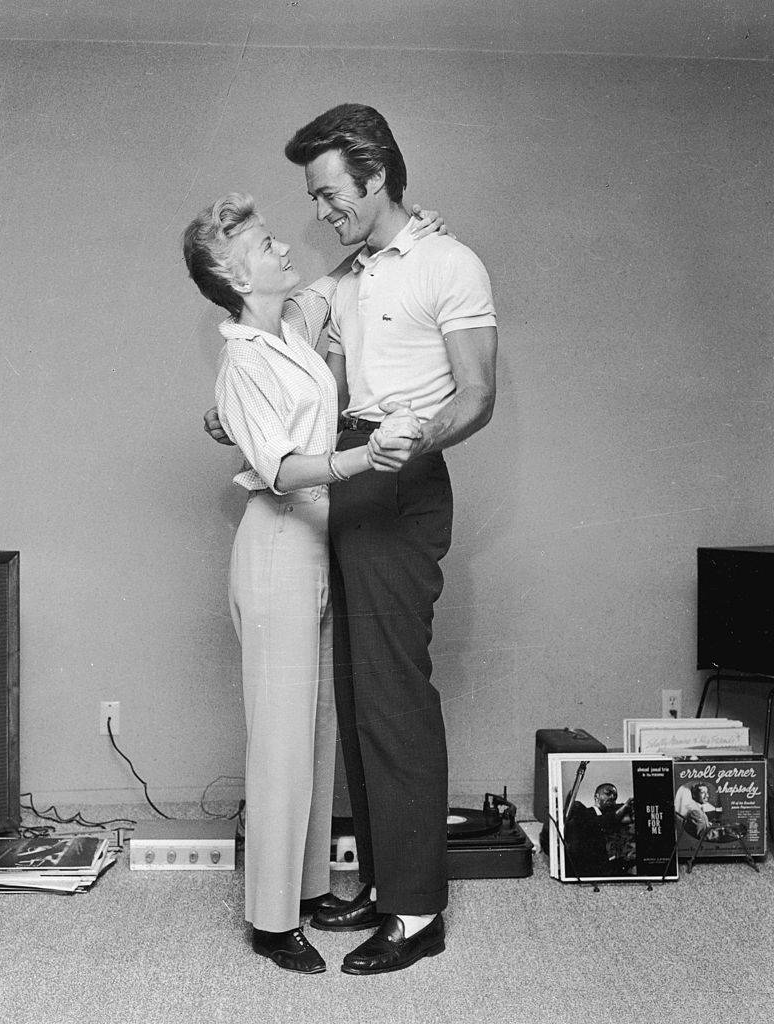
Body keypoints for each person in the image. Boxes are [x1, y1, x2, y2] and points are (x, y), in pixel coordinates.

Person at [206, 103, 498, 975]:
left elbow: (478, 395)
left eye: (333, 195)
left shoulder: (451, 262)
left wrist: (412, 445)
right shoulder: (350, 274)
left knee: (394, 692)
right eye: (315, 198)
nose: (323, 211)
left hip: (397, 475)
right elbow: (267, 328)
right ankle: (379, 882)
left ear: (376, 177)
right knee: (357, 691)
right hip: (345, 469)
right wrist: (233, 413)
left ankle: (416, 912)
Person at [184, 193, 442, 975]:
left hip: (317, 539)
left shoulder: (288, 326)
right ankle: (269, 923)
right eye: (266, 246)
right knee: (280, 738)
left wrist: (404, 227)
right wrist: (371, 457)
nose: (282, 250)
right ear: (234, 274)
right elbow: (282, 466)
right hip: (276, 541)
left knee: (316, 729)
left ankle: (299, 894)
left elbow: (335, 275)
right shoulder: (243, 358)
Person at [565, 783, 635, 877]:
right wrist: (624, 807)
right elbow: (600, 822)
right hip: (588, 872)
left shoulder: (613, 819)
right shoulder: (584, 812)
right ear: (596, 796)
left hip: (605, 869)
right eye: (608, 793)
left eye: (615, 796)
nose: (612, 797)